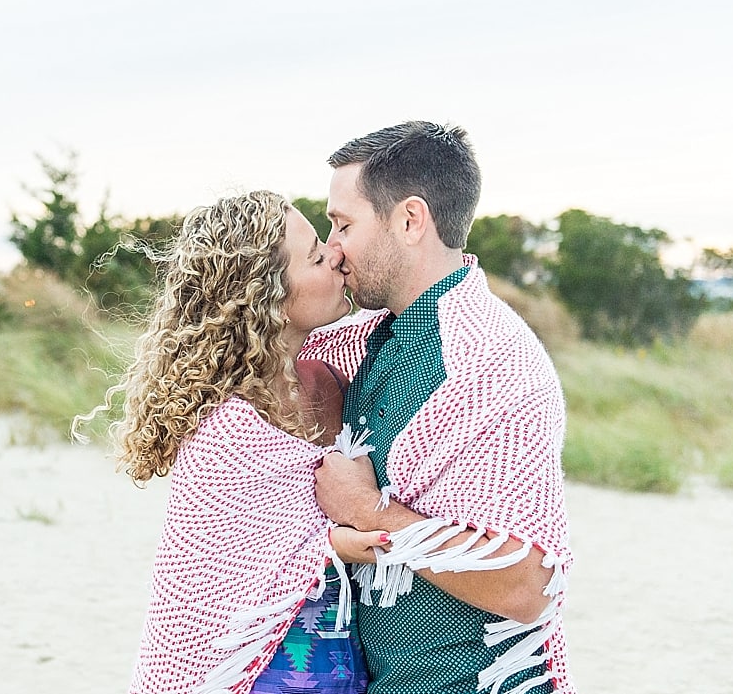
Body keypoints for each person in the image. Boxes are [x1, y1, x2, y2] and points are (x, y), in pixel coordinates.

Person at [301, 121, 575, 694]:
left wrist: (371, 511)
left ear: (409, 220)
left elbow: (528, 584)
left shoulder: (494, 359)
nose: (333, 247)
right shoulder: (370, 338)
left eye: (343, 224)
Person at [78, 190, 386, 694]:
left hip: (337, 666)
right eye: (313, 256)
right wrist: (338, 542)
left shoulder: (332, 377)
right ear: (270, 295)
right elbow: (228, 568)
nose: (334, 253)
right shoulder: (225, 428)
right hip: (246, 671)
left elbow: (402, 323)